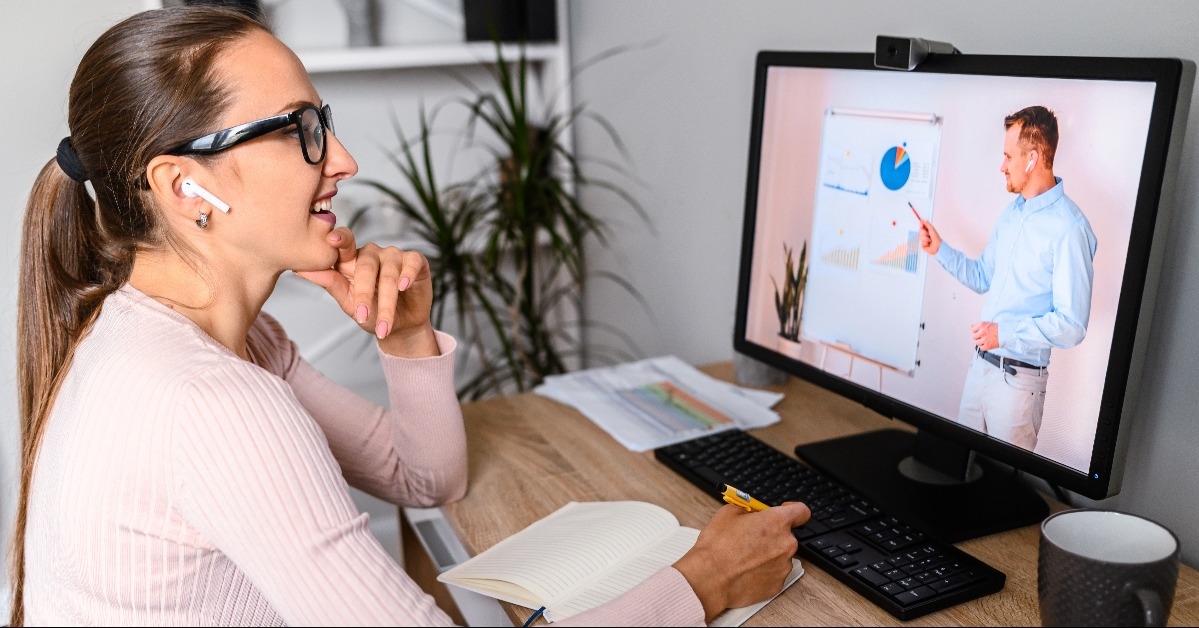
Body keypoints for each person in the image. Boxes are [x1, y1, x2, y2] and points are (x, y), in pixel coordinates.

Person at [8, 6, 811, 626]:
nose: (342, 159)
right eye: (300, 130)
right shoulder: (208, 401)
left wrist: (407, 334)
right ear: (185, 186)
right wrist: (702, 583)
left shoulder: (197, 338)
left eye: (322, 121)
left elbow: (426, 480)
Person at [918, 105, 1097, 451]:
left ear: (1032, 159)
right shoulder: (1012, 214)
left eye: (1008, 156)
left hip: (1018, 386)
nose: (1002, 166)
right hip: (979, 370)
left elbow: (1072, 325)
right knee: (961, 468)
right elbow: (982, 276)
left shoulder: (1071, 229)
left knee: (1002, 479)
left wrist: (1006, 333)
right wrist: (939, 249)